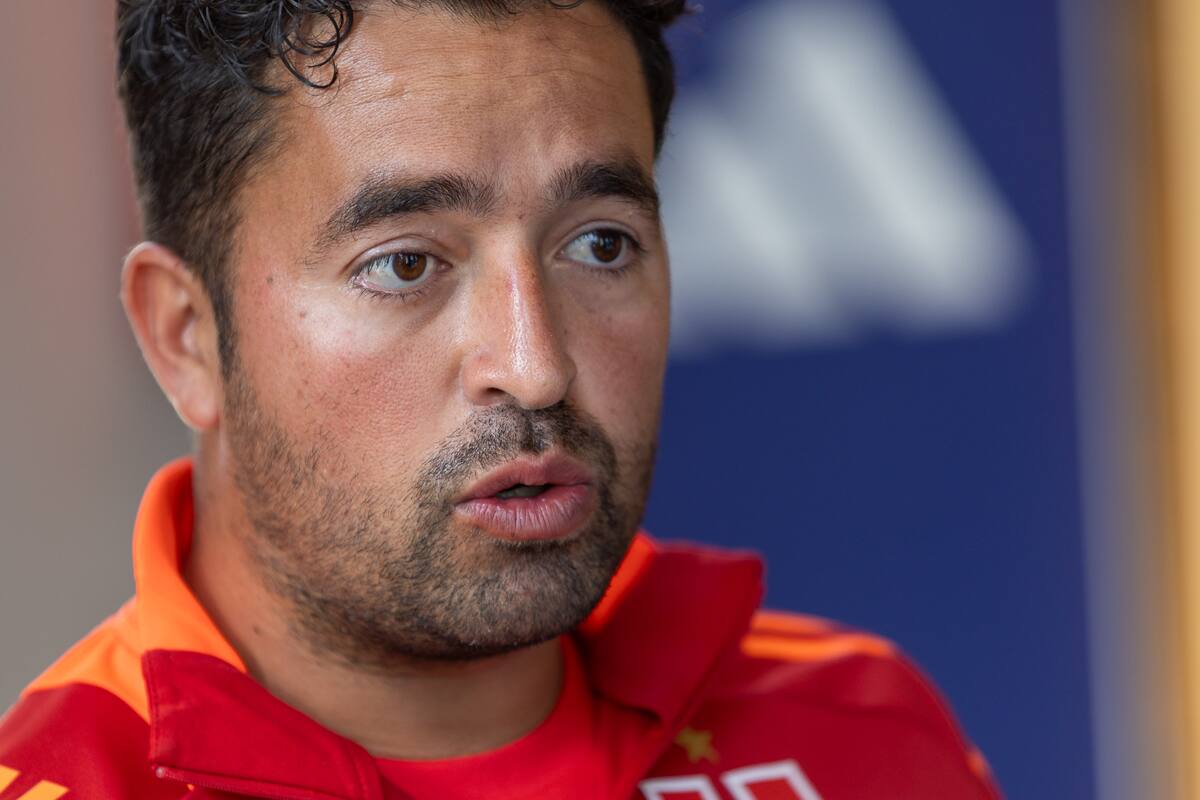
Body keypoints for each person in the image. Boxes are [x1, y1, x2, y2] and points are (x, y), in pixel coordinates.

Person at [0, 1, 1001, 798]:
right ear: (186, 335)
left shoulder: (860, 728)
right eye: (403, 264)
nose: (535, 365)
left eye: (599, 243)